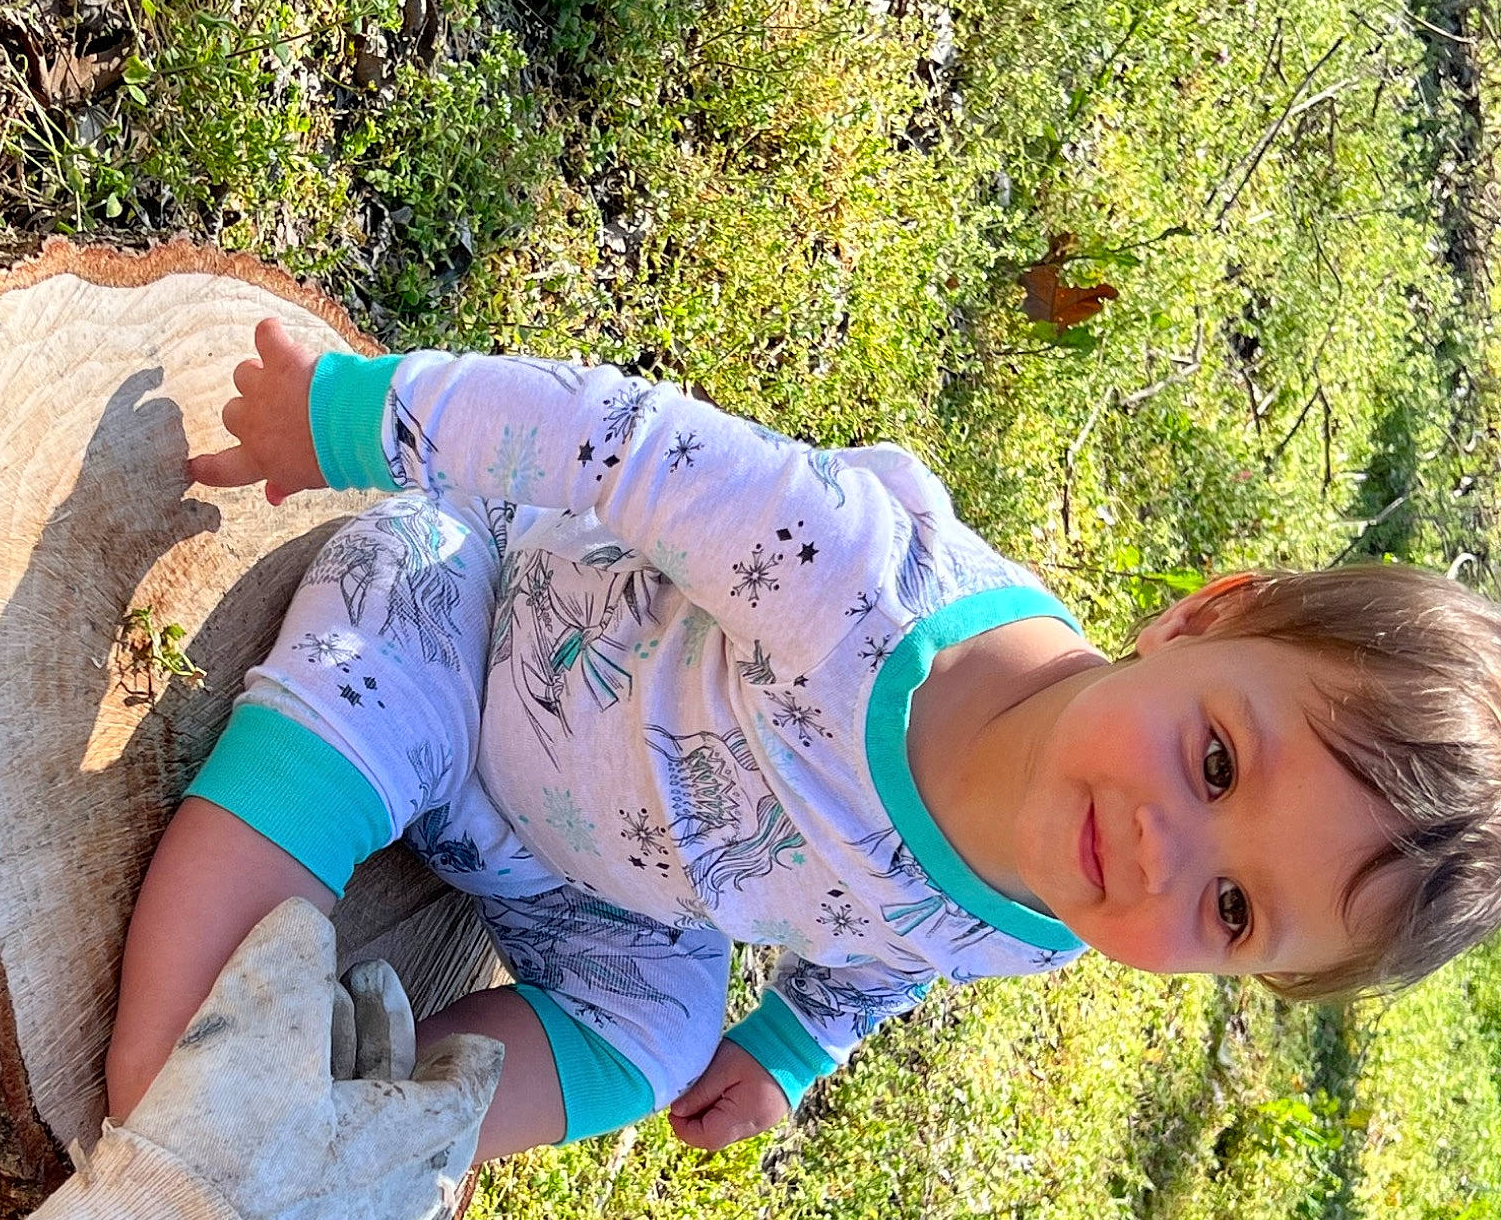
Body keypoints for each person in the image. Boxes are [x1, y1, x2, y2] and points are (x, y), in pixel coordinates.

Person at [103, 319, 1501, 1165]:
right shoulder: (851, 579)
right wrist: (350, 413)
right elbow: (614, 442)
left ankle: (373, 1149)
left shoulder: (1046, 916)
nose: (1159, 853)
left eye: (1234, 909)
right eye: (1217, 766)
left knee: (651, 1039)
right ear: (1206, 617)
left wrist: (787, 1047)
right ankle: (176, 1114)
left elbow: (898, 952)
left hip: (591, 885)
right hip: (470, 642)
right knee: (327, 751)